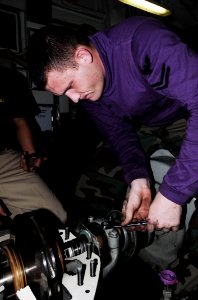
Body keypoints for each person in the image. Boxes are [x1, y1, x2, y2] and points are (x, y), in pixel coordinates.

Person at [26, 16, 198, 234]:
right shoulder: (89, 89)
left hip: (185, 111)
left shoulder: (142, 41)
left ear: (83, 56)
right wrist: (138, 178)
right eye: (65, 94)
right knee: (91, 188)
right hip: (148, 122)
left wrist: (172, 195)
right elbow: (119, 134)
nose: (75, 99)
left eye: (70, 86)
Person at [0, 64, 67, 224]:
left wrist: (30, 157)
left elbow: (20, 122)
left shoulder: (9, 78)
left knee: (55, 217)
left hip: (4, 159)